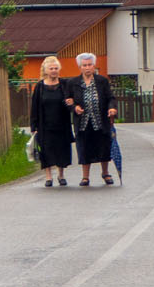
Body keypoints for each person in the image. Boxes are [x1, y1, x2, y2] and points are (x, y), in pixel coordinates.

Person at [71, 52, 118, 185]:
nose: (87, 68)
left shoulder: (102, 81)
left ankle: (106, 173)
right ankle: (85, 177)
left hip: (100, 120)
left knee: (104, 146)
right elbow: (67, 100)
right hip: (83, 122)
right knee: (84, 148)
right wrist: (74, 107)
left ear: (94, 66)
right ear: (80, 67)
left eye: (90, 65)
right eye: (84, 65)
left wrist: (112, 108)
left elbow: (110, 98)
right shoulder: (73, 83)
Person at [28, 57, 75, 187]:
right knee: (46, 150)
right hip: (45, 125)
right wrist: (34, 125)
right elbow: (35, 107)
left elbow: (72, 98)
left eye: (56, 68)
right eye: (51, 69)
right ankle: (48, 177)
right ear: (45, 70)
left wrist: (72, 102)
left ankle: (61, 175)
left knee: (62, 150)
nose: (54, 71)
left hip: (62, 124)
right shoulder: (40, 87)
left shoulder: (65, 84)